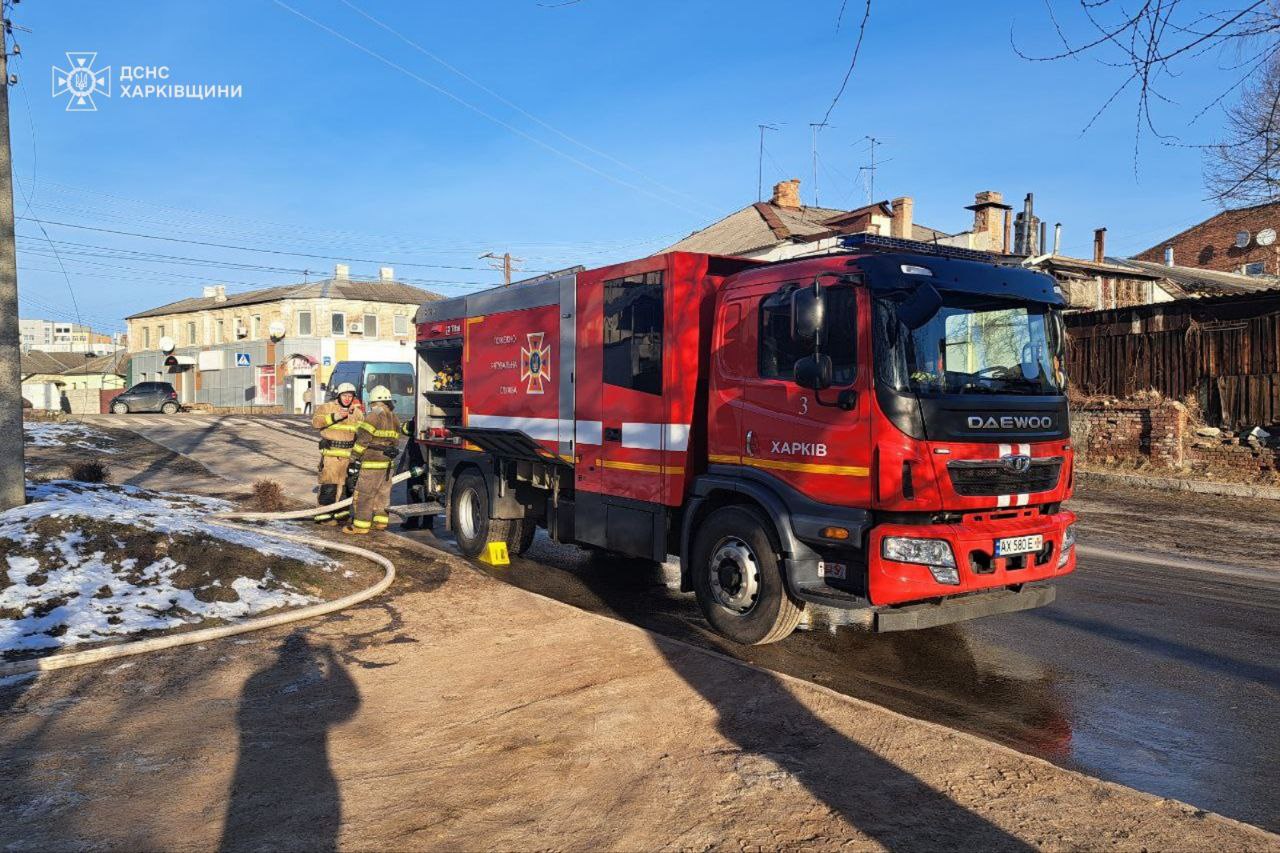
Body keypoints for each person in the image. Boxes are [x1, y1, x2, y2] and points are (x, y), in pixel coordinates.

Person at [343, 385, 406, 535]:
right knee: (382, 495)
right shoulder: (394, 417)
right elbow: (396, 441)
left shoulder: (373, 416)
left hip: (372, 462)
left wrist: (353, 457)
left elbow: (363, 440)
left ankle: (361, 526)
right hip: (387, 463)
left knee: (365, 494)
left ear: (374, 401)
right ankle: (380, 523)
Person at [310, 382, 363, 525]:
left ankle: (341, 516)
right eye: (344, 395)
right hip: (331, 456)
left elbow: (362, 434)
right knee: (329, 486)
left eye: (350, 396)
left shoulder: (357, 413)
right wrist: (336, 416)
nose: (347, 398)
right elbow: (315, 423)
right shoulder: (327, 408)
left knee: (347, 487)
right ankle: (324, 516)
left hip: (349, 456)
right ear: (338, 395)